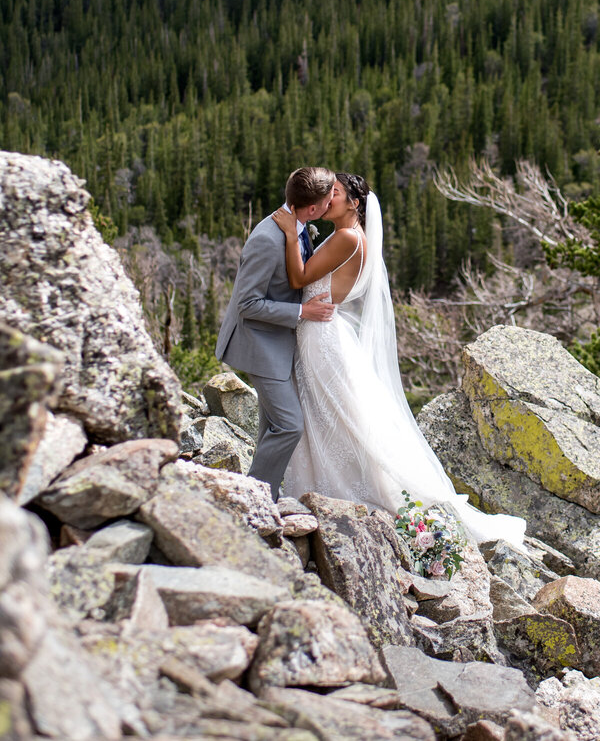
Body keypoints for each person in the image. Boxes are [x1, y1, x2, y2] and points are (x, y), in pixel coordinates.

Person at [269, 171, 526, 545]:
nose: (327, 199)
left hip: (321, 336)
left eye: (334, 194)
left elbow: (299, 278)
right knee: (325, 416)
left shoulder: (346, 237)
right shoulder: (348, 236)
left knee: (335, 417)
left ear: (353, 204)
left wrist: (292, 233)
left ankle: (350, 495)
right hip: (319, 332)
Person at [215, 166, 339, 501]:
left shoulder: (298, 228)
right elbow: (247, 304)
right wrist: (303, 312)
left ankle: (260, 492)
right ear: (312, 209)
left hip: (279, 344)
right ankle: (253, 499)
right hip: (259, 345)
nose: (332, 204)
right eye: (329, 200)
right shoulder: (267, 239)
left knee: (270, 426)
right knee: (288, 425)